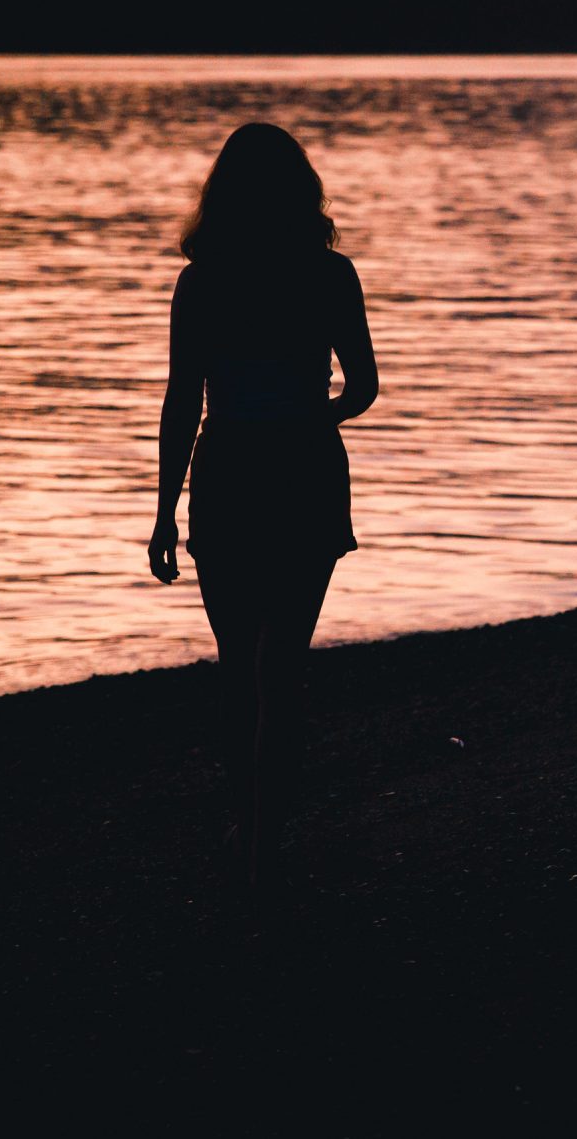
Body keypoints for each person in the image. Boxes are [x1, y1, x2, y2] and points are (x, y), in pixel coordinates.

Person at [149, 123, 376, 888]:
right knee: (283, 668)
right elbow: (365, 387)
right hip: (306, 470)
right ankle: (267, 839)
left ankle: (246, 827)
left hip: (229, 473)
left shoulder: (203, 279)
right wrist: (317, 416)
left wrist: (162, 514)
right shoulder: (331, 275)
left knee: (237, 667)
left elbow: (183, 402)